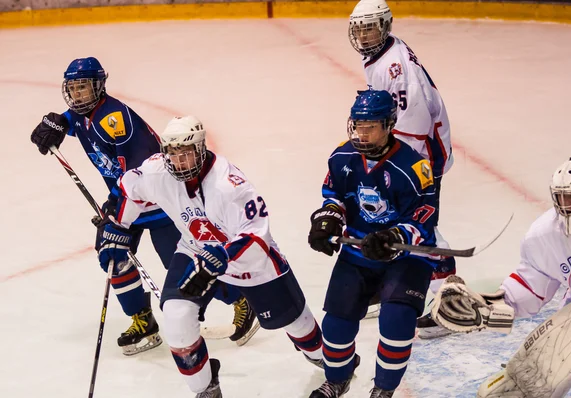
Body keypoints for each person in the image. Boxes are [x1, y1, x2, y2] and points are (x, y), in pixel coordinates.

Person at [29, 57, 256, 354]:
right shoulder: (82, 114)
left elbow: (141, 175)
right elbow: (69, 121)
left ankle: (242, 300)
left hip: (158, 202)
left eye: (83, 88)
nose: (77, 95)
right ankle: (143, 321)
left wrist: (114, 206)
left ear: (99, 87)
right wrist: (54, 123)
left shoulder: (114, 120)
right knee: (111, 255)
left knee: (186, 266)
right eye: (73, 88)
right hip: (127, 201)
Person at [98, 115, 324, 397]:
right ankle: (206, 390)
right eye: (173, 154)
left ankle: (328, 362)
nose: (178, 161)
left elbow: (257, 237)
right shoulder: (158, 172)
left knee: (297, 325)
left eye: (186, 154)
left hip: (250, 262)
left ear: (201, 149)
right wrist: (118, 226)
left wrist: (223, 257)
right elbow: (128, 189)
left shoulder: (230, 185)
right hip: (195, 249)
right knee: (176, 318)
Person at [307, 89, 441, 398]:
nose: (362, 133)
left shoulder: (413, 168)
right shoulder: (342, 157)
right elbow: (334, 196)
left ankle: (383, 389)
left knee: (397, 321)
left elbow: (424, 218)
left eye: (370, 126)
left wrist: (394, 237)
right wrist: (328, 218)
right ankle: (337, 379)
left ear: (389, 125)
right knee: (336, 325)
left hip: (407, 257)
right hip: (358, 251)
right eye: (358, 125)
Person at [430, 156, 571, 397]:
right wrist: (488, 309)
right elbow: (530, 287)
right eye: (561, 197)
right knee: (524, 385)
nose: (566, 205)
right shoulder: (545, 234)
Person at [348, 0, 455, 336]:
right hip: (408, 148)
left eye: (371, 28)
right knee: (390, 218)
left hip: (420, 154)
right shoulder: (382, 55)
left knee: (419, 223)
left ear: (386, 26)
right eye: (359, 29)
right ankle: (391, 284)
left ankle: (449, 303)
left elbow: (416, 119)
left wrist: (395, 162)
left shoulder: (393, 66)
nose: (364, 36)